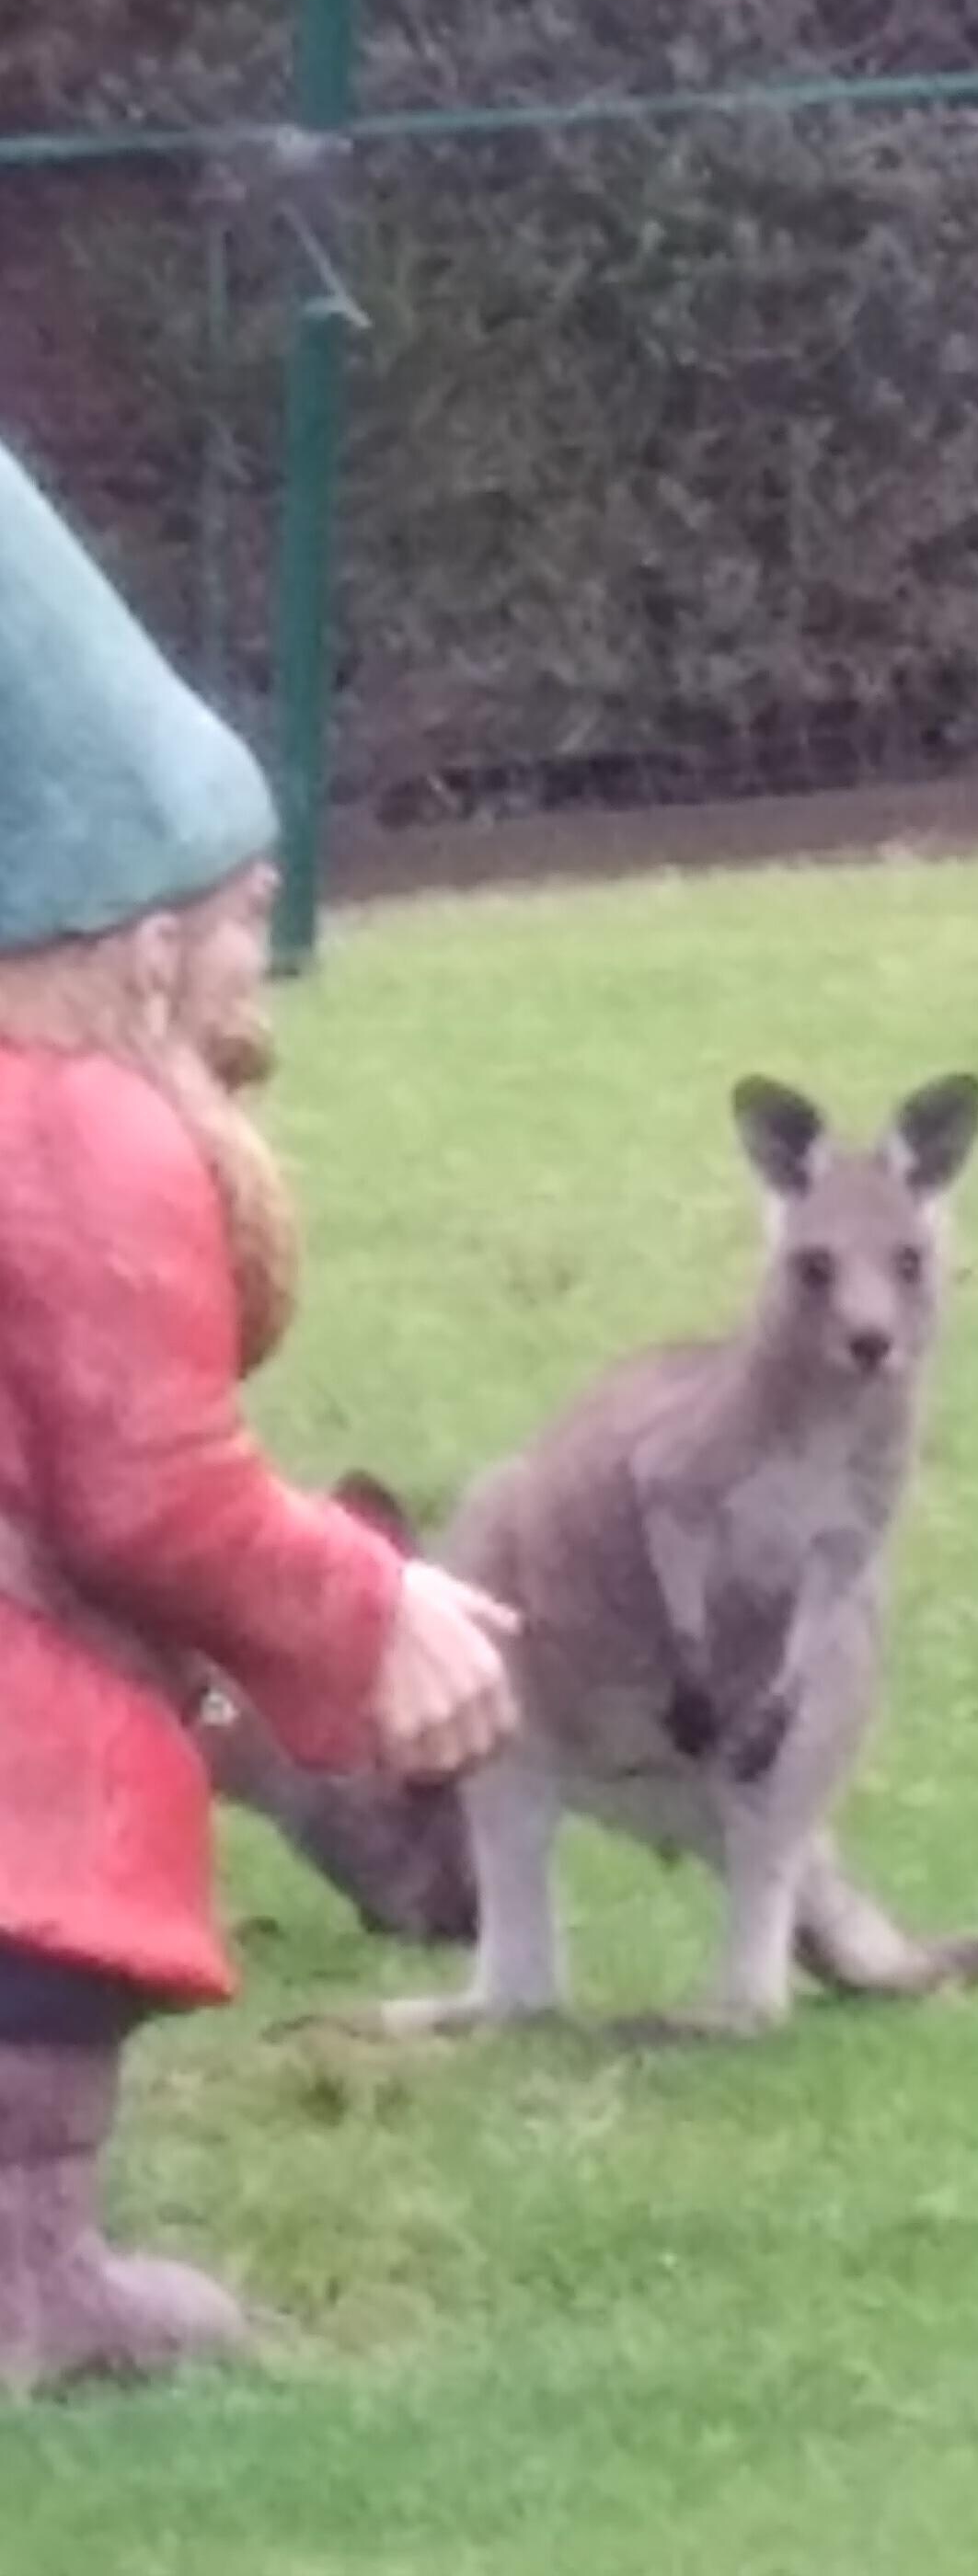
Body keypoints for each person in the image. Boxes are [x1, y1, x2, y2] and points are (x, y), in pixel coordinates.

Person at [0, 433, 524, 2397]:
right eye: (237, 926)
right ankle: (32, 2278)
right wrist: (365, 1611)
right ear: (131, 939)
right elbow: (151, 1491)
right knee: (51, 1863)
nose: (257, 980)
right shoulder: (86, 1131)